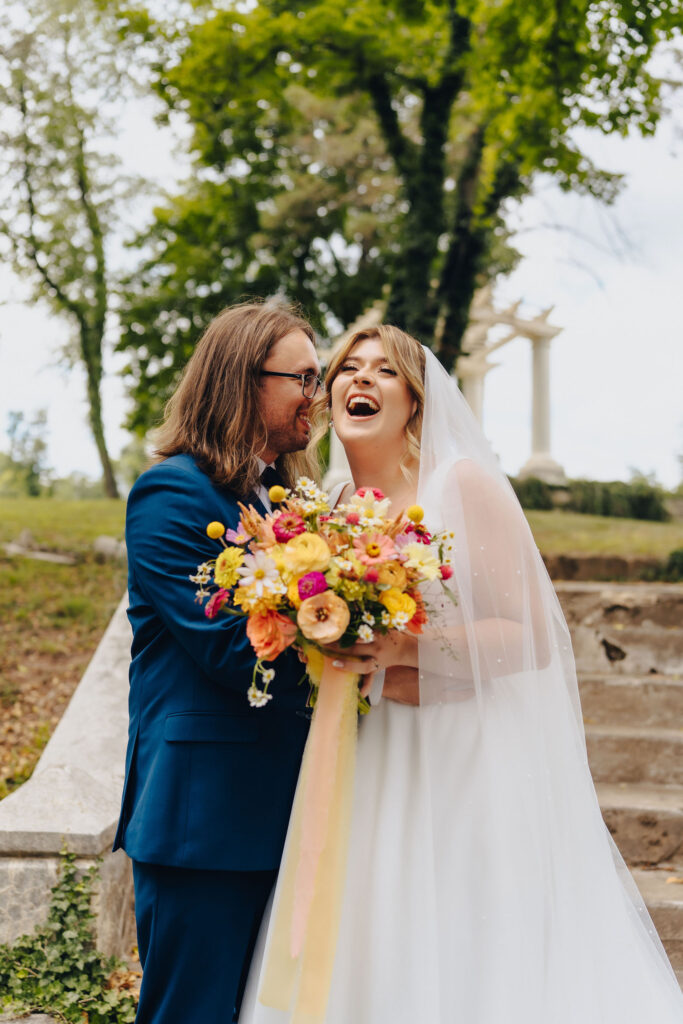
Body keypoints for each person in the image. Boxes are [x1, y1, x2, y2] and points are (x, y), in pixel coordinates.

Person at [239, 325, 683, 1023]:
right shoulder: (319, 509)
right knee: (364, 919)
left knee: (457, 933)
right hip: (363, 749)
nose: (361, 380)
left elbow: (530, 636)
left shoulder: (460, 484)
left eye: (384, 371)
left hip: (458, 754)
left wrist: (401, 647)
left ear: (415, 402)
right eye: (348, 369)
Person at [113, 301, 325, 1024]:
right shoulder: (172, 494)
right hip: (204, 820)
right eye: (302, 376)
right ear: (242, 381)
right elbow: (237, 652)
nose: (316, 394)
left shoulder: (278, 500)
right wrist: (360, 648)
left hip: (286, 812)